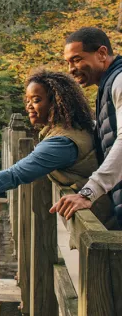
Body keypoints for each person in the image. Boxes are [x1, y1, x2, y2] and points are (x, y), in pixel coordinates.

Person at [0, 69, 112, 225]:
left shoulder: (61, 143)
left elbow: (14, 175)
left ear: (56, 102)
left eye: (36, 99)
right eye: (27, 100)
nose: (28, 106)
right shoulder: (80, 127)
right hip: (103, 216)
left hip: (103, 225)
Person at [50, 27, 122, 226]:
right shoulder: (107, 87)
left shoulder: (119, 82)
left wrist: (88, 193)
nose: (71, 69)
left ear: (101, 53)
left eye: (77, 59)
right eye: (68, 63)